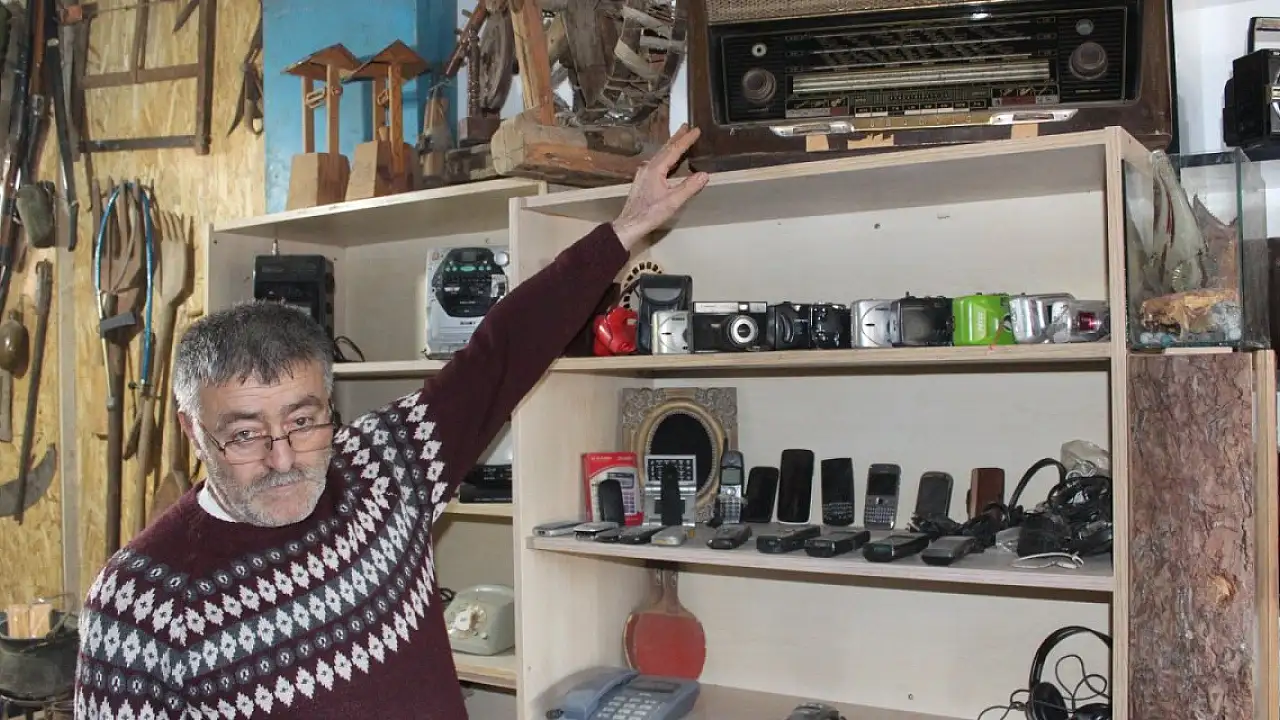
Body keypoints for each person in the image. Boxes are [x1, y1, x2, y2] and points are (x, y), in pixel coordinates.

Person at [72, 125, 711, 719]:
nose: (283, 459)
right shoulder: (138, 607)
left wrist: (623, 230)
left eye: (304, 421)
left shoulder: (384, 469)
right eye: (244, 435)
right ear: (192, 431)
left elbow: (500, 355)